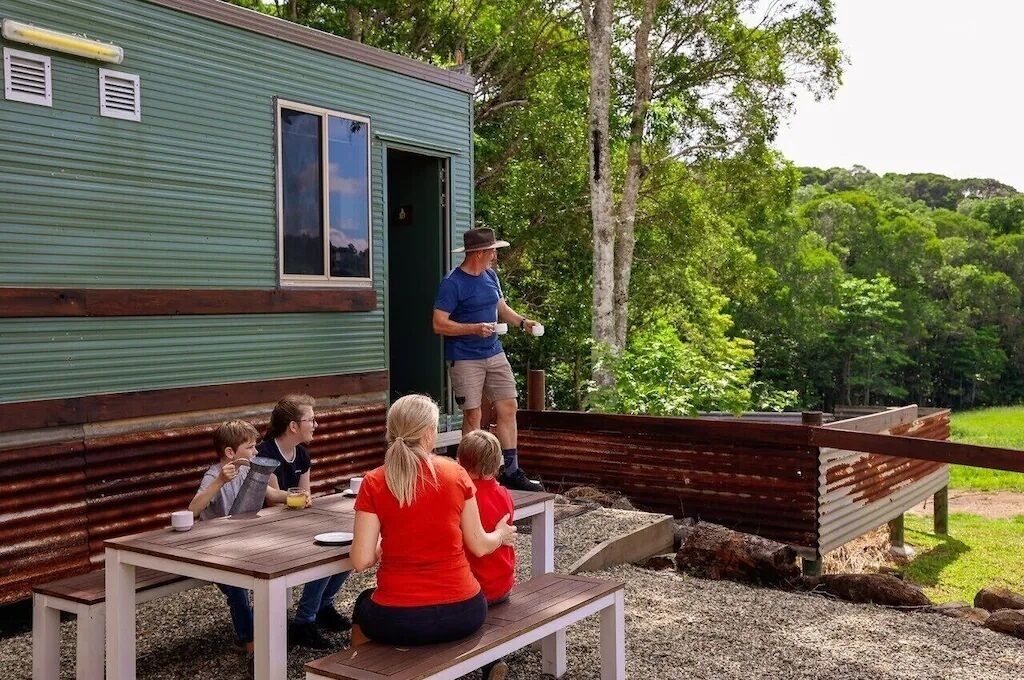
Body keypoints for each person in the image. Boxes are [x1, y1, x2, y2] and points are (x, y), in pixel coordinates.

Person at [349, 394, 516, 647]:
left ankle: (360, 672)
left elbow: (361, 561)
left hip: (397, 616)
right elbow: (480, 545)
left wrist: (384, 547)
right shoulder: (456, 473)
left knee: (363, 603)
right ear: (429, 432)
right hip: (464, 611)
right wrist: (501, 535)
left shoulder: (373, 481)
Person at [432, 226, 544, 492]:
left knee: (508, 406)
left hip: (494, 352)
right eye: (493, 251)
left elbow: (501, 308)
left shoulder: (490, 276)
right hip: (464, 357)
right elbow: (438, 324)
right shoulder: (453, 283)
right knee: (473, 414)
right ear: (480, 253)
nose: (495, 256)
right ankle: (468, 478)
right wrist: (473, 328)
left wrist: (523, 322)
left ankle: (512, 471)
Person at [188, 420, 290, 676]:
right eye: (250, 448)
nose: (256, 453)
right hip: (213, 549)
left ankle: (277, 629)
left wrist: (292, 496)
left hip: (243, 544)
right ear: (230, 453)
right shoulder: (214, 475)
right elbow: (192, 510)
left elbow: (270, 493)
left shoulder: (246, 471)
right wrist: (219, 482)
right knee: (237, 587)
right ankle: (252, 644)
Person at [256, 394, 350, 650]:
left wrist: (300, 501)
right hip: (263, 527)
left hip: (291, 522)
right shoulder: (266, 452)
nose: (316, 424)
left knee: (349, 544)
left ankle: (322, 606)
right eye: (311, 419)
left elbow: (304, 498)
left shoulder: (303, 455)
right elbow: (273, 500)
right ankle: (303, 622)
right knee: (321, 553)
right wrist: (295, 497)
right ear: (293, 426)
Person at [457, 429, 516, 680]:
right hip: (504, 585)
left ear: (461, 462)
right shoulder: (504, 494)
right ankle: (493, 663)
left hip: (476, 590)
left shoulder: (462, 497)